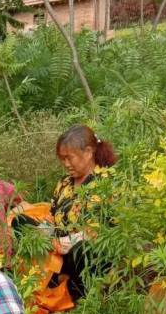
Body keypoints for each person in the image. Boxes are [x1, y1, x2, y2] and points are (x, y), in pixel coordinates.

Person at [49, 124, 116, 300]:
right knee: (21, 222)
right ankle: (57, 279)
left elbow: (99, 230)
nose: (66, 164)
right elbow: (52, 214)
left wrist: (68, 242)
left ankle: (81, 292)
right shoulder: (64, 183)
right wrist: (43, 235)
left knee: (82, 250)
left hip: (87, 253)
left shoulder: (105, 183)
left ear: (88, 152)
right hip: (58, 248)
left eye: (69, 158)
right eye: (62, 159)